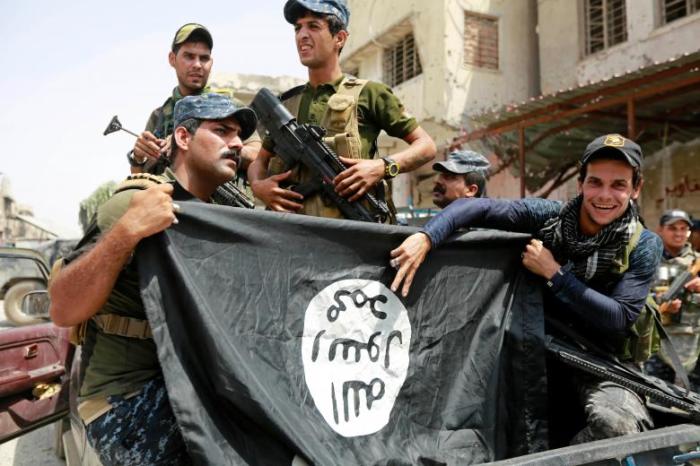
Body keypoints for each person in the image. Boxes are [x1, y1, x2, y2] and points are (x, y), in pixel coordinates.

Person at [390, 134, 662, 444]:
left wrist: (554, 273)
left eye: (619, 185)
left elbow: (618, 317)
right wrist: (426, 238)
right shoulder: (549, 217)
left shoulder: (644, 245)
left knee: (616, 426)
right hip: (538, 348)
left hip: (604, 363)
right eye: (595, 182)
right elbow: (474, 208)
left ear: (635, 189)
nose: (604, 195)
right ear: (581, 184)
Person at [48, 94, 257, 465]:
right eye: (222, 131)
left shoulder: (220, 216)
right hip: (127, 394)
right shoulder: (134, 201)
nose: (237, 143)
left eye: (239, 135)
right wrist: (127, 231)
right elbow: (63, 308)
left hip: (193, 382)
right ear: (183, 137)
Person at [248, 0, 436, 221]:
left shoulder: (370, 94)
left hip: (351, 236)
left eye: (313, 26)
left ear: (340, 38)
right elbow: (259, 161)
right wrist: (259, 185)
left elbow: (426, 146)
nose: (302, 35)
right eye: (298, 28)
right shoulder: (286, 104)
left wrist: (382, 167)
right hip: (291, 236)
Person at [129, 23, 261, 175]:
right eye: (189, 56)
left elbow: (257, 158)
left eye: (204, 58)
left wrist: (195, 143)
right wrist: (137, 157)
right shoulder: (160, 116)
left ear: (211, 63)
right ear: (172, 59)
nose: (197, 65)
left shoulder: (230, 107)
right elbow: (139, 178)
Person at [645, 209, 700, 388]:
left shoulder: (697, 263)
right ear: (661, 230)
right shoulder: (647, 261)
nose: (679, 233)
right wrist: (659, 304)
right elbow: (633, 298)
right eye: (673, 228)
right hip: (657, 342)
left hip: (694, 341)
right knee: (657, 396)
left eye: (683, 229)